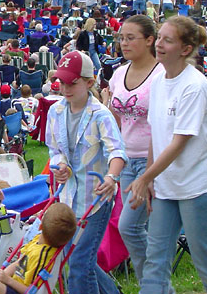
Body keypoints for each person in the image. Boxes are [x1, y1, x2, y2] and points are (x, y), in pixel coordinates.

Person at [126, 17, 207, 294]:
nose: (159, 44)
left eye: (167, 40)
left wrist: (144, 177)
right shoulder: (160, 80)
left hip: (199, 186)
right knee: (155, 261)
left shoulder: (194, 86)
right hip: (166, 187)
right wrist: (149, 178)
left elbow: (178, 143)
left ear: (185, 49)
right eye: (159, 37)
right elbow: (156, 133)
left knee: (204, 259)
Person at [46, 50, 125, 294]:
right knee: (76, 257)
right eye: (62, 82)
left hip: (97, 198)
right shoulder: (56, 111)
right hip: (69, 197)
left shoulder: (101, 115)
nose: (66, 88)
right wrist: (60, 166)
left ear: (90, 82)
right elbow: (54, 148)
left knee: (80, 261)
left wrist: (112, 178)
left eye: (73, 82)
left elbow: (117, 152)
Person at [101, 15, 162, 282]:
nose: (123, 43)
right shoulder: (119, 74)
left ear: (150, 40)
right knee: (133, 228)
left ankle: (154, 282)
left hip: (155, 160)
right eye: (121, 38)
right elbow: (114, 114)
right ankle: (152, 282)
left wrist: (150, 170)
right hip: (127, 159)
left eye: (130, 38)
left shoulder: (162, 74)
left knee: (132, 227)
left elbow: (163, 123)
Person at [0, 203, 77, 294]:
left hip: (21, 289)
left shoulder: (44, 257)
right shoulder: (37, 240)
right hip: (11, 284)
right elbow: (19, 263)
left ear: (40, 226)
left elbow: (34, 291)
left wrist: (7, 280)